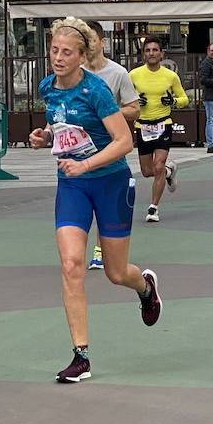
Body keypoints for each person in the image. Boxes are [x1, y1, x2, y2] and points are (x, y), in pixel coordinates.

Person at [28, 17, 162, 383]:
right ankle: (80, 355)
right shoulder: (48, 87)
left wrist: (85, 163)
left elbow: (124, 141)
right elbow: (61, 127)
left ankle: (145, 287)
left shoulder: (97, 91)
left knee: (117, 273)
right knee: (72, 265)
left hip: (109, 182)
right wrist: (44, 136)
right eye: (54, 50)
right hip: (72, 186)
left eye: (66, 52)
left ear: (82, 55)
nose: (57, 57)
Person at [84, 22, 139, 271]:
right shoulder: (75, 72)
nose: (88, 44)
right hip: (80, 149)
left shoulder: (118, 73)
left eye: (92, 39)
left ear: (102, 42)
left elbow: (134, 109)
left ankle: (99, 249)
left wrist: (110, 112)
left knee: (103, 199)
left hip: (109, 147)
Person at [128, 37, 189, 223]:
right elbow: (124, 100)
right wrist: (136, 102)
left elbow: (184, 98)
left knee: (158, 165)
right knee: (147, 171)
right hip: (142, 126)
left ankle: (153, 208)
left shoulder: (170, 76)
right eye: (148, 50)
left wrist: (173, 102)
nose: (152, 53)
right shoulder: (134, 75)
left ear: (161, 54)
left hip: (164, 124)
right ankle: (169, 172)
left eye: (155, 50)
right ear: (143, 54)